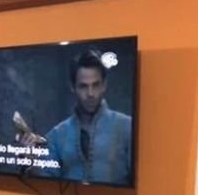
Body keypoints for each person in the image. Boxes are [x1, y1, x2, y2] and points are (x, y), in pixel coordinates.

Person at [39, 49, 132, 185]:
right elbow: (45, 182)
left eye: (96, 85)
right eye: (83, 86)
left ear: (104, 85)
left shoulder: (127, 128)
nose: (90, 93)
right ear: (73, 87)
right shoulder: (57, 136)